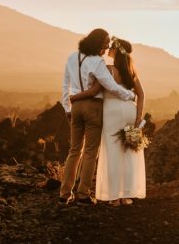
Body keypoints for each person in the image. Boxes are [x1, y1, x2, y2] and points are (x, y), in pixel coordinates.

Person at [59, 28, 137, 205]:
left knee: (74, 150)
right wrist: (130, 96)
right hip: (93, 107)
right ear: (96, 43)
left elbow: (65, 85)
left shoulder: (72, 57)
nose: (106, 47)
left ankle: (64, 193)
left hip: (75, 108)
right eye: (104, 44)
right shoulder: (97, 62)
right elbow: (111, 86)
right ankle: (83, 194)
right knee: (90, 152)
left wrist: (67, 108)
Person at [76, 37, 146, 205]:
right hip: (130, 110)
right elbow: (141, 95)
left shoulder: (108, 70)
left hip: (112, 112)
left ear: (116, 51)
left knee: (113, 152)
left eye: (111, 47)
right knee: (129, 152)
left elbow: (95, 89)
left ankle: (114, 197)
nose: (108, 49)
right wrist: (138, 116)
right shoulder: (132, 72)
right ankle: (127, 195)